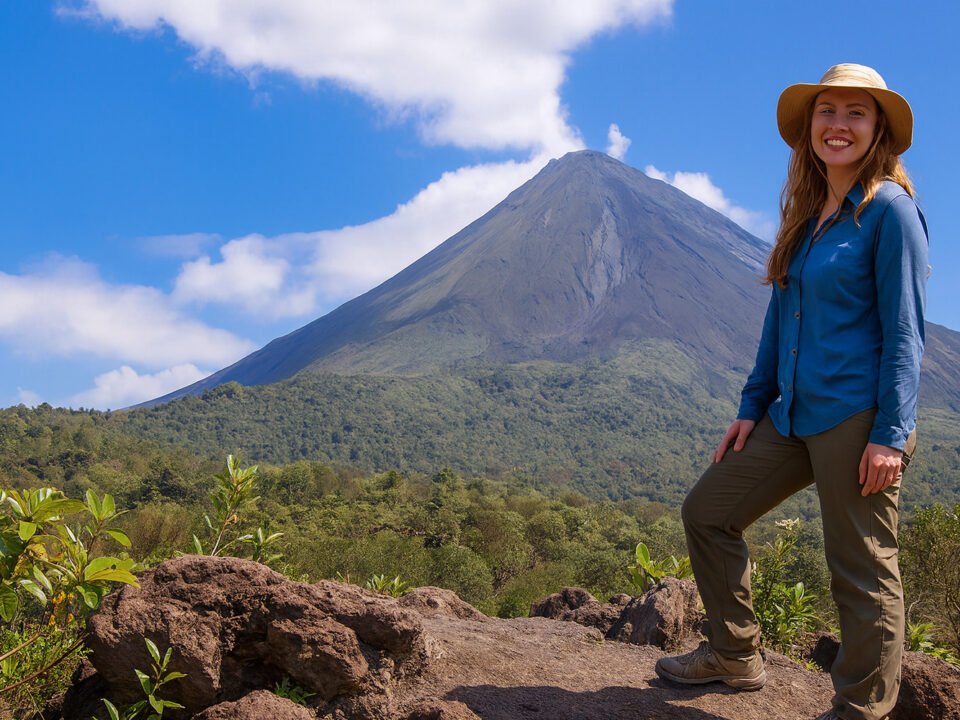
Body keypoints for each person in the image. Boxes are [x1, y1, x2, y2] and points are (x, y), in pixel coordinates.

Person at [653, 63, 928, 720]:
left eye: (856, 112)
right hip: (793, 413)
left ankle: (862, 710)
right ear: (809, 128)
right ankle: (736, 655)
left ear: (877, 128)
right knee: (708, 511)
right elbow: (779, 325)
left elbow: (906, 330)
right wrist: (752, 408)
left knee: (861, 570)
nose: (839, 124)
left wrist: (891, 433)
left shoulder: (889, 210)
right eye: (827, 111)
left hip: (858, 418)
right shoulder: (808, 221)